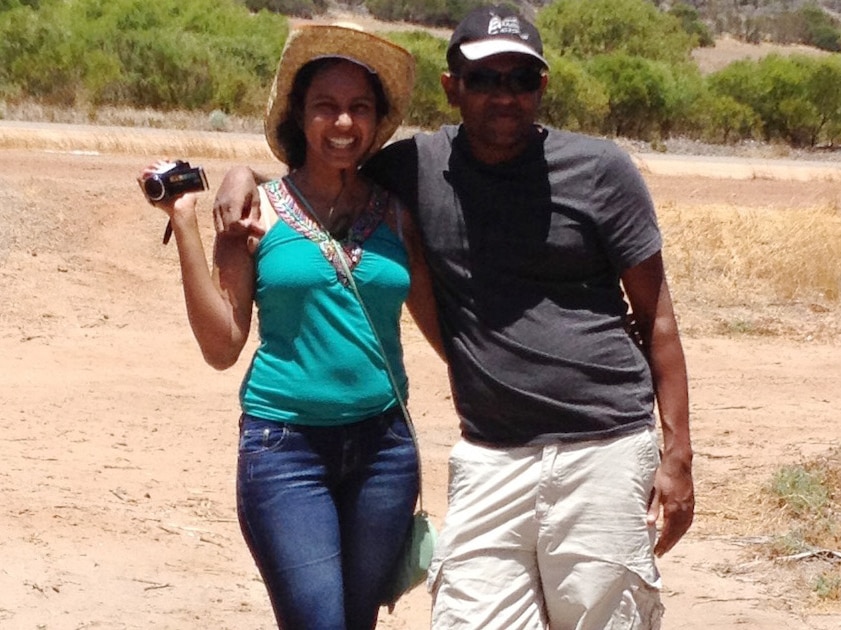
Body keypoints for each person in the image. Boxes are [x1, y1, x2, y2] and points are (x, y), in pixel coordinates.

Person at [214, 6, 695, 629]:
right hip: (490, 454)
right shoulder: (414, 169)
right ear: (452, 87)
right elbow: (320, 171)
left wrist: (677, 452)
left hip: (602, 447)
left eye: (521, 79)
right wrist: (240, 173)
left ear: (542, 87)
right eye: (485, 79)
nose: (505, 94)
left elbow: (656, 316)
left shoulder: (602, 171)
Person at [140, 24, 440, 630]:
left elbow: (443, 329)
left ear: (377, 120)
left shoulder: (399, 214)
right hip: (285, 451)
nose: (343, 123)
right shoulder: (253, 211)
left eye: (359, 108)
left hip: (386, 451)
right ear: (298, 117)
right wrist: (188, 224)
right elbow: (222, 345)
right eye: (325, 106)